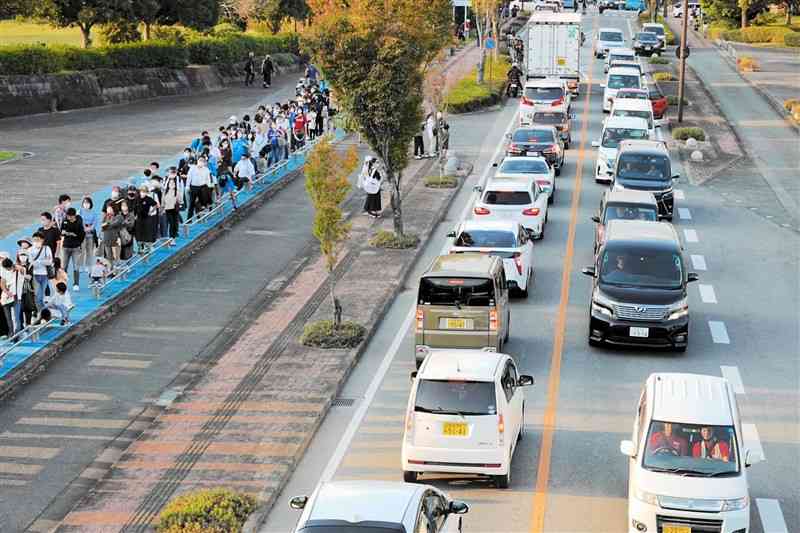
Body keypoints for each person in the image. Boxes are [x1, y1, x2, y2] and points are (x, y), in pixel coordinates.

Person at [60, 207, 85, 292]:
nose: (68, 218)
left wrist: (78, 241)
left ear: (74, 216)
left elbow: (81, 234)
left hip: (75, 247)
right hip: (65, 246)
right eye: (67, 216)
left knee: (76, 266)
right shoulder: (65, 221)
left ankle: (76, 284)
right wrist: (68, 233)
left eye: (70, 216)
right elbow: (61, 231)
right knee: (64, 266)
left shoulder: (79, 222)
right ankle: (64, 283)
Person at [30, 231, 53, 314]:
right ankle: (43, 313)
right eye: (34, 240)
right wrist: (43, 260)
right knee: (38, 296)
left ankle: (45, 312)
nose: (36, 242)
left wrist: (38, 261)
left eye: (38, 240)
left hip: (44, 274)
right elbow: (30, 262)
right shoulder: (30, 249)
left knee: (41, 296)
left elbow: (50, 261)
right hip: (35, 275)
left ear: (42, 240)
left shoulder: (47, 248)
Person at [134, 185, 158, 254]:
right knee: (139, 233)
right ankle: (140, 248)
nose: (142, 193)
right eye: (141, 191)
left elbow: (156, 205)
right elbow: (135, 208)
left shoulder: (148, 199)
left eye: (144, 191)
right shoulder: (137, 198)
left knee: (146, 233)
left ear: (146, 192)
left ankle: (148, 247)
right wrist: (135, 215)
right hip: (139, 219)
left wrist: (151, 212)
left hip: (146, 218)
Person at [187, 155, 211, 220]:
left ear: (204, 162)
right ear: (197, 161)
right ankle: (189, 219)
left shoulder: (206, 169)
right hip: (193, 187)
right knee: (191, 203)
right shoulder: (192, 168)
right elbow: (189, 177)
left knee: (203, 203)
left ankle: (203, 216)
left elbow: (208, 179)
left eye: (202, 161)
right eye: (200, 160)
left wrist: (208, 187)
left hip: (202, 187)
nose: (201, 162)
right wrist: (187, 186)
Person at [79, 197, 98, 275]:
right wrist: (84, 228)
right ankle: (80, 266)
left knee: (89, 251)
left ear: (90, 204)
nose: (86, 204)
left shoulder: (93, 212)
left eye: (87, 203)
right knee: (81, 250)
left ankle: (87, 266)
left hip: (90, 233)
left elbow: (95, 221)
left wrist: (90, 228)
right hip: (82, 233)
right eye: (84, 202)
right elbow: (79, 220)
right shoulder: (80, 211)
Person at [100, 205, 122, 270]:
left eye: (110, 209)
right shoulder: (105, 217)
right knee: (109, 257)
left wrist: (106, 224)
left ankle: (118, 270)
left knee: (116, 257)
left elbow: (115, 224)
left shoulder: (118, 216)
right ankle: (111, 270)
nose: (108, 210)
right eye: (107, 209)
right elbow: (101, 227)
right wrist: (105, 225)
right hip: (107, 240)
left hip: (115, 240)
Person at [162, 177, 182, 245]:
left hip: (175, 209)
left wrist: (180, 203)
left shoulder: (177, 191)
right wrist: (163, 207)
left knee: (175, 223)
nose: (172, 184)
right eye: (171, 183)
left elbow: (180, 200)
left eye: (173, 183)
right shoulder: (165, 191)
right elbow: (163, 200)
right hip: (168, 209)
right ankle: (171, 238)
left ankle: (173, 236)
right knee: (171, 223)